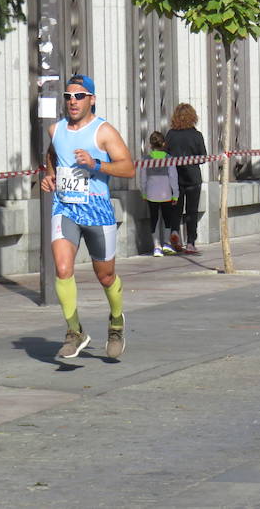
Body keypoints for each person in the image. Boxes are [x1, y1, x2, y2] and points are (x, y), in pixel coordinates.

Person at [40, 75, 135, 359]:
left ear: (91, 99)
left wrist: (96, 164)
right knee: (63, 268)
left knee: (105, 277)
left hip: (97, 210)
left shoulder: (103, 131)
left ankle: (116, 322)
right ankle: (74, 330)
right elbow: (52, 155)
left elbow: (128, 168)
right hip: (65, 207)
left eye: (79, 96)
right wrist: (49, 175)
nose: (73, 101)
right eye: (68, 96)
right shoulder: (55, 129)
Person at [166, 103, 207, 255]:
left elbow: (166, 156)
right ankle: (190, 242)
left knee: (176, 208)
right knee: (192, 211)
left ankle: (175, 231)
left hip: (175, 178)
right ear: (193, 117)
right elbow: (203, 157)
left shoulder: (170, 135)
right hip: (193, 178)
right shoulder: (196, 135)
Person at [139, 131, 179, 257]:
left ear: (150, 144)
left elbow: (143, 178)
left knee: (154, 219)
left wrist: (144, 193)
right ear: (164, 143)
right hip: (166, 193)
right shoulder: (169, 159)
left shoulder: (145, 159)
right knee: (167, 219)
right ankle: (166, 243)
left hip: (151, 193)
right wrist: (175, 194)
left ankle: (156, 246)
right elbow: (173, 177)